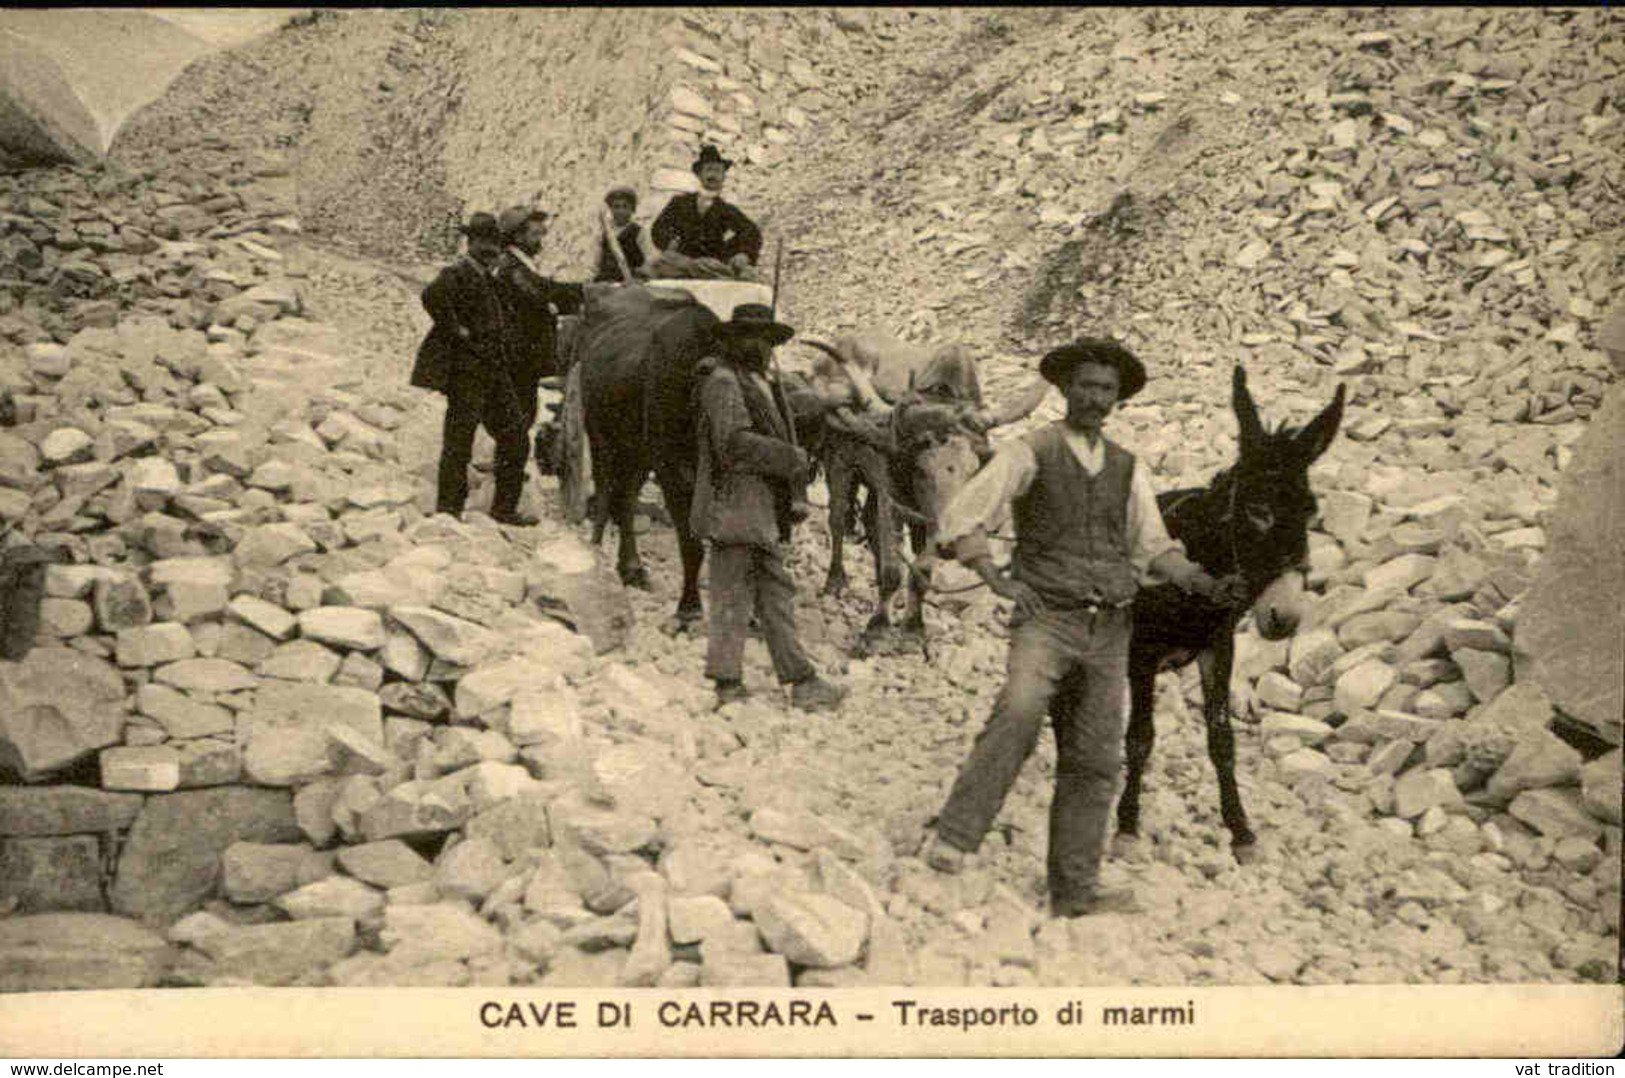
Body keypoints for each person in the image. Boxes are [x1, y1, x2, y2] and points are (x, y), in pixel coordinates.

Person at [920, 337, 1244, 917]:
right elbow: (962, 515)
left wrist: (1201, 582)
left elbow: (1152, 547)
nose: (1096, 398)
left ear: (1118, 400)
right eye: (1087, 386)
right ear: (1066, 390)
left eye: (1107, 390)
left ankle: (1074, 888)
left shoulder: (1127, 467)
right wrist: (993, 575)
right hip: (1046, 619)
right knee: (1016, 717)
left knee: (1096, 757)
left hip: (1110, 629)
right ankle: (954, 837)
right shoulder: (1030, 451)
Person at [691, 303, 847, 714]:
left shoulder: (757, 382)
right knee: (731, 593)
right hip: (735, 503)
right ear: (734, 341)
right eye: (753, 338)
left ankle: (801, 679)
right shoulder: (723, 383)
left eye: (767, 339)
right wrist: (790, 458)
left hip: (759, 507)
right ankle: (728, 683)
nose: (761, 346)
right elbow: (734, 443)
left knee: (775, 591)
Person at [411, 211, 533, 526]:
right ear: (471, 242)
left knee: (516, 435)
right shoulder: (458, 273)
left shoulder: (489, 278)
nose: (490, 249)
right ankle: (449, 510)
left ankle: (503, 509)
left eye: (494, 243)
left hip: (492, 369)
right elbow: (431, 296)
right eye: (483, 242)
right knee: (459, 441)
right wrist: (457, 330)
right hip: (466, 371)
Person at [493, 204, 588, 511]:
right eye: (535, 234)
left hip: (522, 362)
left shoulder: (520, 264)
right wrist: (588, 292)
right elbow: (540, 293)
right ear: (518, 236)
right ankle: (504, 507)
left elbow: (544, 292)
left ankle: (506, 500)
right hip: (517, 361)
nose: (541, 239)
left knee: (519, 424)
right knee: (517, 430)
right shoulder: (512, 267)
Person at [651, 144, 763, 272]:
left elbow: (751, 232)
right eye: (709, 170)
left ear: (723, 177)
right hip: (681, 262)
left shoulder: (726, 209)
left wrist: (743, 254)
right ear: (699, 174)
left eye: (717, 171)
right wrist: (669, 241)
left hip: (712, 264)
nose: (713, 175)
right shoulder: (680, 203)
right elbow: (658, 227)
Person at [594, 186, 651, 283]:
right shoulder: (604, 232)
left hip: (629, 281)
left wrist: (641, 276)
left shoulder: (639, 232)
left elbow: (648, 260)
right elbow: (597, 262)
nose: (620, 211)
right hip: (605, 281)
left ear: (632, 209)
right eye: (616, 207)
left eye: (625, 207)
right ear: (611, 209)